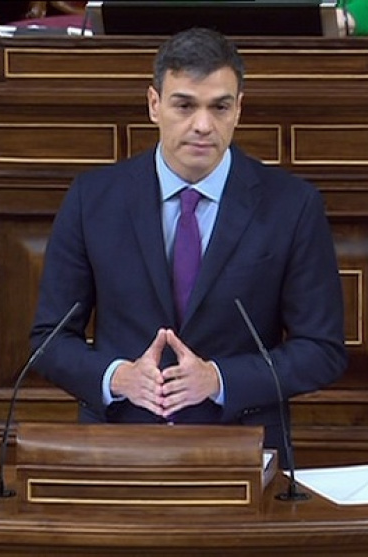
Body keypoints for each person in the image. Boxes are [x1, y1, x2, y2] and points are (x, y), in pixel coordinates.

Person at [29, 27, 347, 457]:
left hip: (242, 446)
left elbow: (322, 350)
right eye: (184, 105)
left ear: (239, 109)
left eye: (220, 107)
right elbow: (49, 340)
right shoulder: (93, 199)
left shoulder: (292, 205)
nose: (202, 125)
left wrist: (219, 379)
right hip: (119, 444)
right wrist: (117, 377)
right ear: (154, 105)